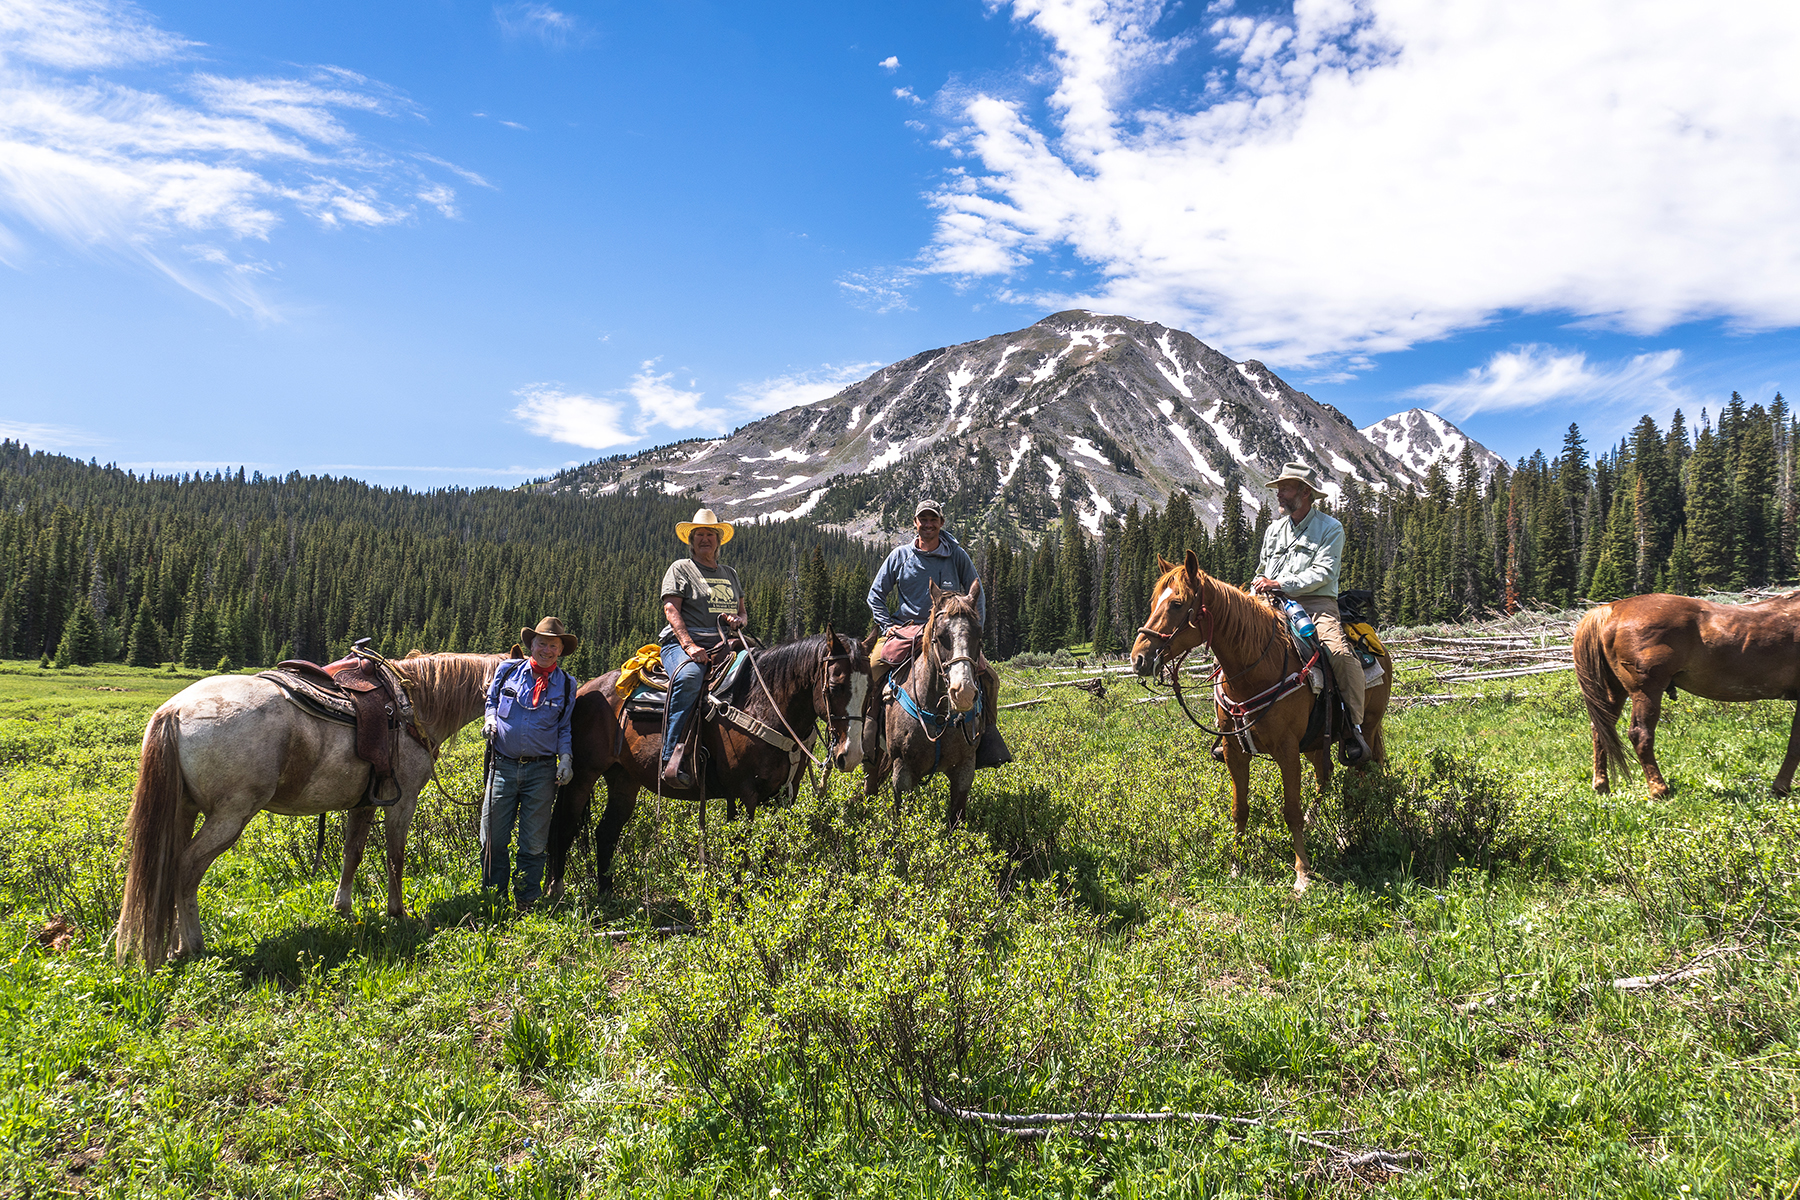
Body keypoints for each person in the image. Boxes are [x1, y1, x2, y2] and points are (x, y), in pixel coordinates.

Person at [866, 498, 1010, 767]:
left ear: (942, 523)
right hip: (906, 630)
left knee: (989, 678)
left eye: (933, 519)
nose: (928, 524)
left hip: (949, 632)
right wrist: (887, 626)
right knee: (871, 667)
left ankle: (988, 735)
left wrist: (972, 631)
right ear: (915, 523)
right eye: (924, 519)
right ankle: (869, 735)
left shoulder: (956, 554)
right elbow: (875, 596)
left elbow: (975, 593)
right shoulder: (900, 556)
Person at [1249, 462, 1370, 764]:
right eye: (1278, 487)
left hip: (1316, 605)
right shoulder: (1274, 530)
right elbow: (1262, 570)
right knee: (1231, 646)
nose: (1279, 493)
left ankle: (1354, 727)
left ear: (1305, 493)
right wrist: (1255, 588)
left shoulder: (1330, 528)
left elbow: (1324, 573)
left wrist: (1281, 583)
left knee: (1339, 652)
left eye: (1285, 487)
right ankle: (1230, 729)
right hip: (1270, 603)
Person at [481, 617, 578, 910]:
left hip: (542, 771)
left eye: (553, 645)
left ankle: (526, 899)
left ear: (560, 650)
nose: (546, 650)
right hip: (503, 766)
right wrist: (489, 719)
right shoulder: (507, 670)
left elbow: (564, 727)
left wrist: (566, 759)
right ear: (531, 645)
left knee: (534, 843)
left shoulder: (567, 684)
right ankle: (493, 899)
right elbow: (492, 701)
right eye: (541, 644)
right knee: (493, 838)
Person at [659, 507, 747, 789]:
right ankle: (670, 756)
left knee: (758, 673)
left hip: (723, 643)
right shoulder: (681, 568)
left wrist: (738, 620)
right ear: (691, 540)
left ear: (718, 540)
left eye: (710, 534)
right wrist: (688, 645)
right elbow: (671, 609)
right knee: (689, 678)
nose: (704, 539)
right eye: (699, 534)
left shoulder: (729, 573)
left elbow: (743, 613)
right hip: (682, 642)